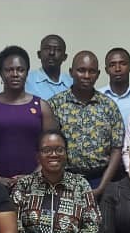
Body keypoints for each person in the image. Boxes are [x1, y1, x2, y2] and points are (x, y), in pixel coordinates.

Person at [0, 45, 57, 188]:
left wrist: (32, 178)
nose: (15, 74)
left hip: (37, 184)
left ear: (27, 73)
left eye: (20, 69)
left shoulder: (42, 107)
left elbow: (52, 150)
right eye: (9, 70)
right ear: (1, 73)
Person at [49, 50, 124, 195]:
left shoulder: (109, 106)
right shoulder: (55, 105)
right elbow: (50, 148)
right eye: (81, 70)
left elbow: (117, 149)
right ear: (71, 72)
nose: (86, 76)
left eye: (92, 71)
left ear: (98, 74)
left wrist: (102, 187)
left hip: (102, 179)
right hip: (65, 180)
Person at [101, 47, 130, 126]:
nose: (117, 69)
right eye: (112, 65)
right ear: (106, 70)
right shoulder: (96, 98)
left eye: (123, 64)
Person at [26, 34, 72, 100]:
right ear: (39, 54)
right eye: (47, 49)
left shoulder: (72, 82)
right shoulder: (27, 80)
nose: (52, 53)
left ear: (65, 57)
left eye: (58, 49)